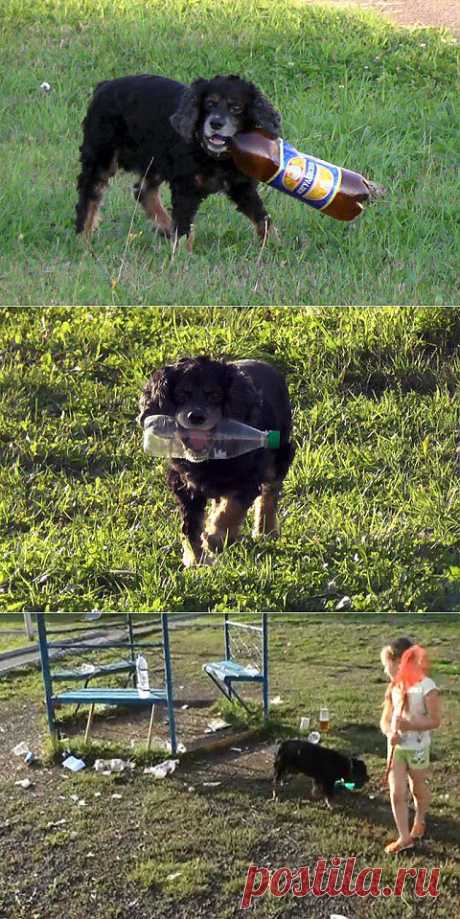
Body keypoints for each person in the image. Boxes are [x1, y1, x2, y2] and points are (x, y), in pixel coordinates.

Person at [380, 637, 441, 854]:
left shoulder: (427, 687)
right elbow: (385, 720)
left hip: (417, 748)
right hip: (396, 749)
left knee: (417, 788)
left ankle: (420, 817)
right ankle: (404, 838)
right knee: (397, 793)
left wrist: (409, 725)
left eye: (389, 666)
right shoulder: (394, 687)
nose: (387, 672)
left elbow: (435, 721)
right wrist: (390, 733)